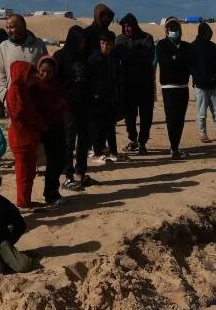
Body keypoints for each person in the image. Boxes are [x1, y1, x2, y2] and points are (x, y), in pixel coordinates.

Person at [54, 25, 94, 189]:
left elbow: (91, 78)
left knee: (84, 140)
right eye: (80, 41)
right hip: (68, 107)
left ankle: (81, 173)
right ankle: (68, 176)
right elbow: (55, 82)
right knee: (68, 141)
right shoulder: (60, 56)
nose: (82, 45)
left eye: (84, 41)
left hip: (85, 104)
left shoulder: (86, 56)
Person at [3, 60, 44, 207]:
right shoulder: (15, 90)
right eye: (29, 76)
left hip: (26, 136)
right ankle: (23, 202)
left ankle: (25, 200)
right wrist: (36, 119)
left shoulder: (22, 89)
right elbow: (19, 112)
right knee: (24, 173)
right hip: (21, 137)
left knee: (28, 171)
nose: (32, 79)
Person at [116, 13, 156, 154]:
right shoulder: (120, 40)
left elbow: (149, 57)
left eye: (129, 26)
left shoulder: (147, 38)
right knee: (129, 117)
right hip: (128, 85)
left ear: (135, 26)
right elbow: (120, 56)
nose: (127, 29)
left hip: (145, 84)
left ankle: (143, 142)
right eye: (124, 26)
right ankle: (133, 139)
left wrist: (131, 54)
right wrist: (137, 54)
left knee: (146, 116)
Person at [156, 18, 193, 160]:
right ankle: (173, 148)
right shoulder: (162, 45)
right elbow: (165, 63)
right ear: (166, 30)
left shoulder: (186, 46)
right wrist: (179, 60)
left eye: (176, 29)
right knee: (171, 118)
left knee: (180, 119)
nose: (174, 32)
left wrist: (176, 59)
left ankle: (176, 146)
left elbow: (189, 62)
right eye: (171, 29)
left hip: (183, 87)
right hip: (169, 87)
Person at [35, 56, 70, 205]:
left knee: (59, 160)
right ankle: (51, 194)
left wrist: (61, 105)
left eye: (49, 72)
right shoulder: (35, 87)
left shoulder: (57, 85)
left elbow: (65, 104)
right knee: (52, 161)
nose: (45, 75)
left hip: (57, 127)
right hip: (42, 129)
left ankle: (52, 191)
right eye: (42, 71)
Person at [88, 30, 124, 163]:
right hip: (97, 98)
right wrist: (95, 94)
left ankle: (113, 152)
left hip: (111, 97)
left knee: (110, 126)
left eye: (108, 44)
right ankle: (97, 152)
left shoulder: (115, 58)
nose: (105, 46)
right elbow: (91, 80)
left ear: (112, 44)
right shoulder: (94, 59)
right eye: (102, 43)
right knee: (97, 126)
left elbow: (118, 78)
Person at [0, 13, 48, 98]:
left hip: (35, 98)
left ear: (23, 26)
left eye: (12, 27)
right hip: (12, 99)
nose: (9, 31)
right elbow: (0, 72)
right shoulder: (3, 46)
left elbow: (46, 69)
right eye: (7, 28)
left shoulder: (39, 44)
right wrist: (4, 95)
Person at [191, 21, 216, 143]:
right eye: (207, 32)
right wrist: (197, 78)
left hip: (214, 84)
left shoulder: (212, 46)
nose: (209, 34)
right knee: (202, 112)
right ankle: (203, 134)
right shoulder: (193, 46)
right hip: (200, 86)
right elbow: (191, 66)